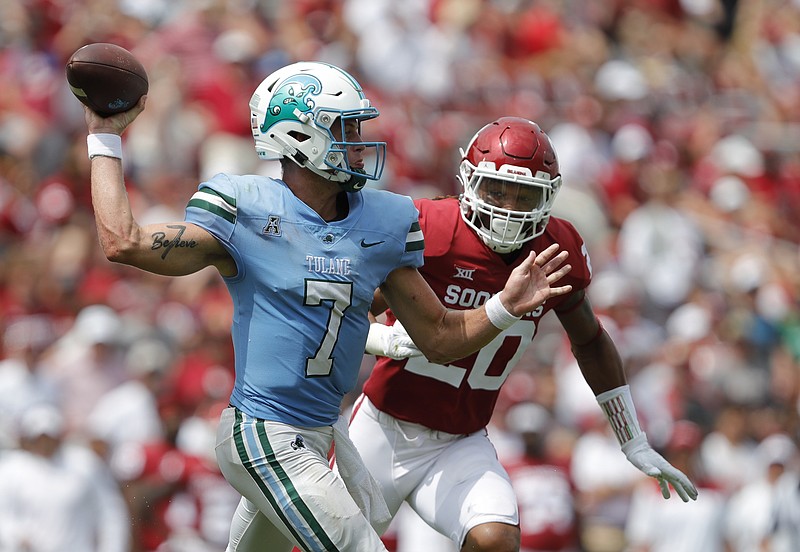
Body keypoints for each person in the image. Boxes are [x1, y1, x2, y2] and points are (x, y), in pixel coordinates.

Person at [80, 61, 573, 552]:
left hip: (322, 434)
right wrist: (105, 138)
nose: (359, 143)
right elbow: (125, 242)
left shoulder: (385, 220)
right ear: (300, 135)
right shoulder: (248, 208)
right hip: (264, 433)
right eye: (345, 129)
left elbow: (440, 338)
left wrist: (504, 308)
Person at [348, 116, 699, 552]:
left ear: (549, 196)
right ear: (469, 181)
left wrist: (632, 437)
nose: (508, 207)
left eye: (524, 195)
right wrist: (382, 340)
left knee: (496, 540)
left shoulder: (555, 248)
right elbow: (348, 310)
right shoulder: (428, 226)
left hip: (462, 441)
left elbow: (589, 340)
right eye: (497, 189)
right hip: (384, 429)